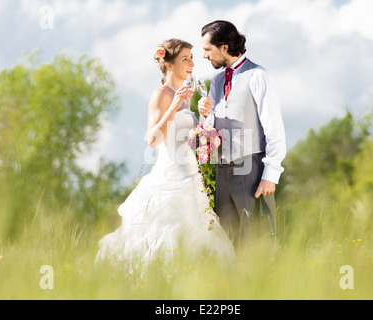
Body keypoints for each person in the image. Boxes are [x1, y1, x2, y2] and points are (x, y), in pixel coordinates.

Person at [95, 39, 235, 271]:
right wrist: (174, 105)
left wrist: (204, 128)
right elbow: (152, 140)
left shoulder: (187, 96)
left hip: (192, 180)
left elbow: (187, 138)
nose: (192, 63)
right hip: (169, 181)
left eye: (191, 58)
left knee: (200, 238)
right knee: (166, 238)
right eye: (185, 59)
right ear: (168, 65)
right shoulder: (162, 94)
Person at [198, 20, 287, 246]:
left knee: (256, 239)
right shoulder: (217, 81)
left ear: (225, 47)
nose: (205, 56)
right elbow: (214, 126)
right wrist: (206, 114)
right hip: (222, 170)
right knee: (225, 241)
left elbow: (273, 127)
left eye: (208, 49)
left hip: (251, 168)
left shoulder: (258, 76)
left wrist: (271, 174)